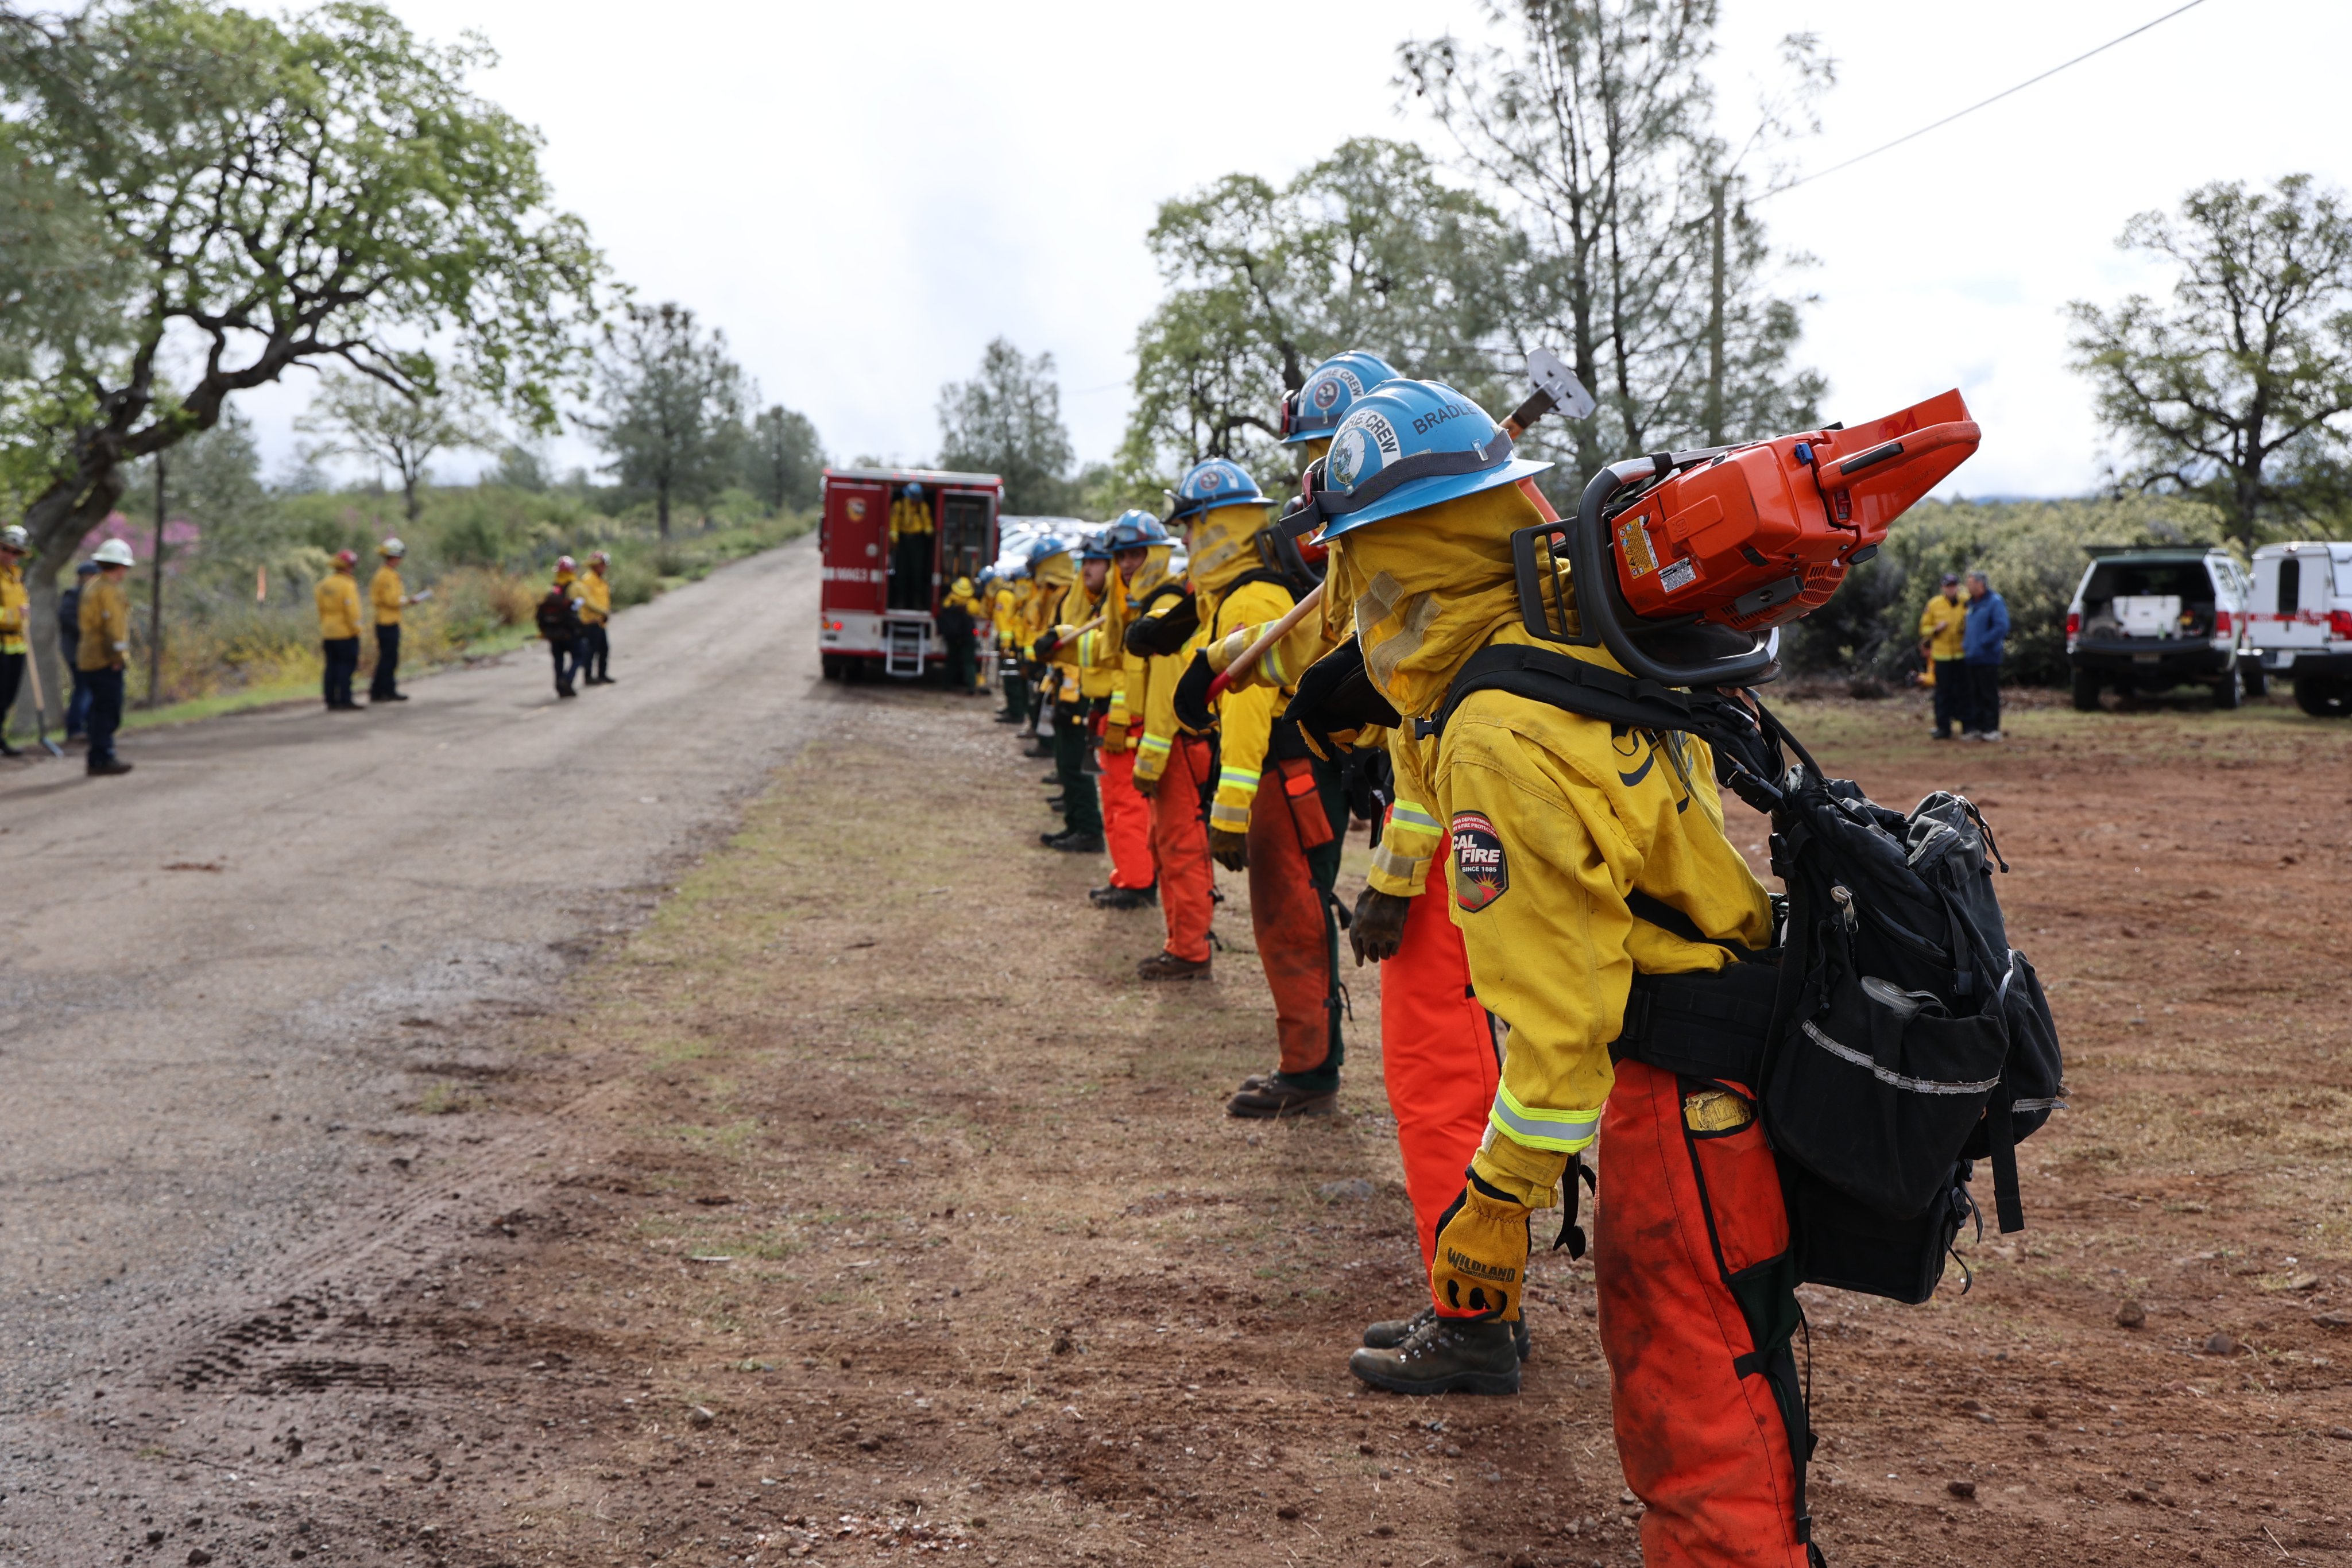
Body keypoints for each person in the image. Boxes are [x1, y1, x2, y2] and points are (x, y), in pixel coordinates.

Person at [1305, 378, 1813, 1563]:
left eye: (1368, 567)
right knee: (1724, 1392)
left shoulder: (1493, 731)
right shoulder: (1561, 644)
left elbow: (1559, 1032)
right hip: (1720, 1071)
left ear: (1409, 555)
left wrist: (1493, 1210)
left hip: (1675, 1100)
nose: (1364, 602)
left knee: (1699, 1421)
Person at [1178, 457, 1349, 1118]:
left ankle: (1309, 1072)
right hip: (1286, 779)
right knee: (1290, 921)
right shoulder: (1244, 594)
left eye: (1193, 527)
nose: (1189, 542)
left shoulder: (1250, 599)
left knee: (1293, 922)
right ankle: (1306, 1061)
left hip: (1288, 779)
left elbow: (1249, 710)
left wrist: (1229, 809)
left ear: (1212, 525)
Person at [1128, 530, 1213, 979]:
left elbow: (1163, 696)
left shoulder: (1170, 611)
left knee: (1181, 850)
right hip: (1183, 746)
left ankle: (1190, 949)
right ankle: (1183, 941)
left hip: (1180, 748)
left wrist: (1150, 760)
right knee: (1170, 848)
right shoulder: (1182, 602)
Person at [1090, 513, 1173, 909]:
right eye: (1121, 556)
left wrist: (1122, 717)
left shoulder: (1164, 601)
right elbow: (1115, 660)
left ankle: (1138, 883)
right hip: (1119, 720)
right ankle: (1126, 875)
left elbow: (1144, 672)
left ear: (1153, 553)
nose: (1126, 564)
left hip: (1138, 725)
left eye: (1135, 554)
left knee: (1129, 808)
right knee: (1115, 806)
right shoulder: (1125, 600)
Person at [1035, 536, 1110, 854]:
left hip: (1087, 697)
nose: (1088, 568)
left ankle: (1090, 830)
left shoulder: (1113, 606)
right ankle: (1075, 825)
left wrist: (1073, 696)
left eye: (1096, 562)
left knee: (1080, 767)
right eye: (1086, 562)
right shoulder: (1078, 599)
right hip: (1067, 691)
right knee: (1065, 763)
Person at [78, 539, 135, 776]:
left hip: (89, 657)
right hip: (104, 659)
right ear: (120, 567)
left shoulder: (93, 586)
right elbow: (113, 628)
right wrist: (117, 657)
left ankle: (98, 756)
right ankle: (103, 757)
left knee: (97, 709)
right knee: (108, 709)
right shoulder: (108, 591)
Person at [1918, 571, 1968, 739]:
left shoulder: (1966, 602)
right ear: (1942, 588)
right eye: (1948, 586)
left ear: (1958, 587)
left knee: (1963, 692)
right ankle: (1943, 728)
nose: (1951, 589)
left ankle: (1967, 726)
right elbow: (1923, 629)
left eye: (1953, 586)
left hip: (1961, 655)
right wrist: (1935, 630)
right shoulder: (1934, 604)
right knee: (1943, 693)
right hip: (1942, 656)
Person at [369, 539, 419, 703]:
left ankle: (380, 691)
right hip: (387, 622)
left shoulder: (385, 574)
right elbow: (391, 600)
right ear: (394, 557)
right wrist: (408, 601)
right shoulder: (387, 576)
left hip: (386, 621)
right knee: (389, 659)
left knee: (388, 658)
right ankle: (385, 691)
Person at [315, 548, 364, 711]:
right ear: (348, 566)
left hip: (328, 632)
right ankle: (345, 699)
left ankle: (331, 700)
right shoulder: (348, 585)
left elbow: (321, 609)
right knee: (346, 667)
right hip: (345, 633)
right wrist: (356, 629)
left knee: (331, 667)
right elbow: (352, 611)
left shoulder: (323, 585)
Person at [1964, 568, 2009, 741]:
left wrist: (1983, 642)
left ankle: (1991, 729)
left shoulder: (1994, 602)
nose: (1967, 587)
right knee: (1974, 694)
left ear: (1980, 584)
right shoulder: (1971, 604)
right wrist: (1967, 645)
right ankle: (1978, 728)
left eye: (1970, 583)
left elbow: (2001, 626)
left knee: (1988, 693)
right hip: (1972, 656)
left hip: (1988, 656)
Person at [59, 560, 96, 742]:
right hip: (75, 651)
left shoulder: (93, 595)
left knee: (90, 688)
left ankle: (89, 727)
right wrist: (87, 631)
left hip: (90, 652)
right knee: (82, 688)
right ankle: (75, 728)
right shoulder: (73, 595)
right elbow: (67, 619)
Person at [0, 525, 29, 756]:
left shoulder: (16, 578)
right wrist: (14, 616)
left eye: (16, 552)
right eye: (5, 549)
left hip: (16, 645)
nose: (10, 555)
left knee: (8, 695)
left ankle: (2, 739)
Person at [537, 557, 585, 698]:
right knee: (579, 656)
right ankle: (567, 680)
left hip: (553, 633)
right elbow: (584, 605)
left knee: (558, 660)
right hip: (569, 632)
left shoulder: (553, 589)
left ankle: (559, 686)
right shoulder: (576, 587)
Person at [887, 483, 933, 611]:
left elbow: (927, 524)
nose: (915, 501)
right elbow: (894, 523)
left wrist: (931, 534)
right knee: (901, 572)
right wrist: (894, 540)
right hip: (902, 542)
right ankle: (899, 601)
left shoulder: (923, 507)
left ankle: (917, 602)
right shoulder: (899, 506)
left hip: (918, 542)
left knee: (917, 573)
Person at [576, 551, 615, 685]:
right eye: (602, 565)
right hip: (590, 622)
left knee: (604, 649)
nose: (604, 567)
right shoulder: (588, 580)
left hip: (601, 622)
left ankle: (602, 675)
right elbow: (586, 602)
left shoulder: (601, 581)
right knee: (591, 651)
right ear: (595, 566)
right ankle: (588, 677)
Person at [938, 575, 980, 695]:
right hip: (967, 637)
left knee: (951, 661)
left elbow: (943, 610)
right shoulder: (971, 603)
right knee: (969, 662)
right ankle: (971, 686)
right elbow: (977, 611)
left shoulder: (949, 600)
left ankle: (947, 685)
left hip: (952, 637)